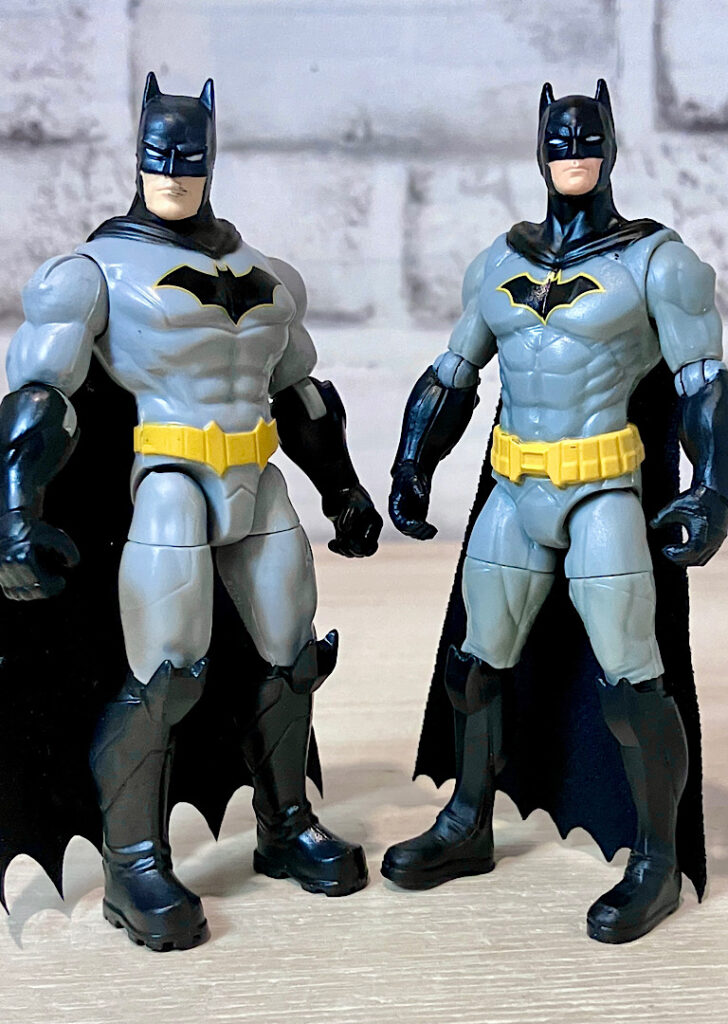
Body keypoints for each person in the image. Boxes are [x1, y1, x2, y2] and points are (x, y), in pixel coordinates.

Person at [0, 73, 382, 952]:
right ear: (138, 156)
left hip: (260, 478)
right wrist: (17, 507)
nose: (173, 172)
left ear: (211, 157)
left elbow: (303, 396)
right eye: (158, 156)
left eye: (188, 157)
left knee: (292, 657)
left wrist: (344, 489)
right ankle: (133, 863)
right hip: (168, 476)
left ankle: (285, 822)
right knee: (168, 671)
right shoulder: (92, 274)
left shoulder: (268, 275)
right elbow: (40, 397)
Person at [382, 80, 727, 943]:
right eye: (560, 140)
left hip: (603, 487)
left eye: (588, 139)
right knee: (475, 665)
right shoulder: (499, 262)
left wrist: (713, 488)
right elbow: (453, 375)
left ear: (612, 147)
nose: (574, 153)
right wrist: (414, 462)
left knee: (632, 679)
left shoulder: (656, 262)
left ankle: (655, 859)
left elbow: (705, 386)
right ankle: (468, 819)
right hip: (514, 488)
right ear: (540, 147)